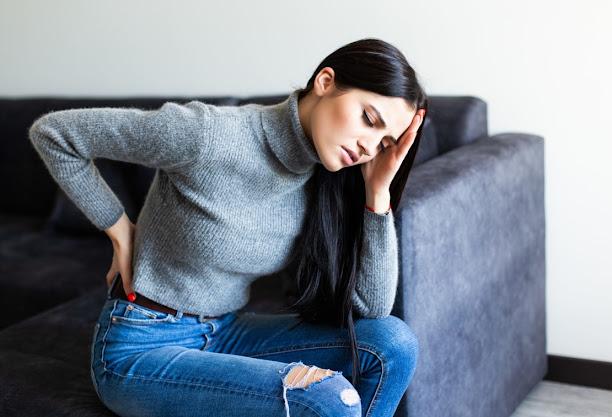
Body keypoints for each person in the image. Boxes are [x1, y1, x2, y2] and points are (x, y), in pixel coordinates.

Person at [28, 37, 428, 417]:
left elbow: (374, 308)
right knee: (328, 400)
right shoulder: (207, 133)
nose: (368, 147)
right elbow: (56, 134)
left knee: (393, 345)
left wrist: (378, 193)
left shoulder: (325, 178)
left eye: (384, 143)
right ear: (326, 82)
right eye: (368, 119)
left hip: (225, 331)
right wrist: (120, 231)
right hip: (141, 346)